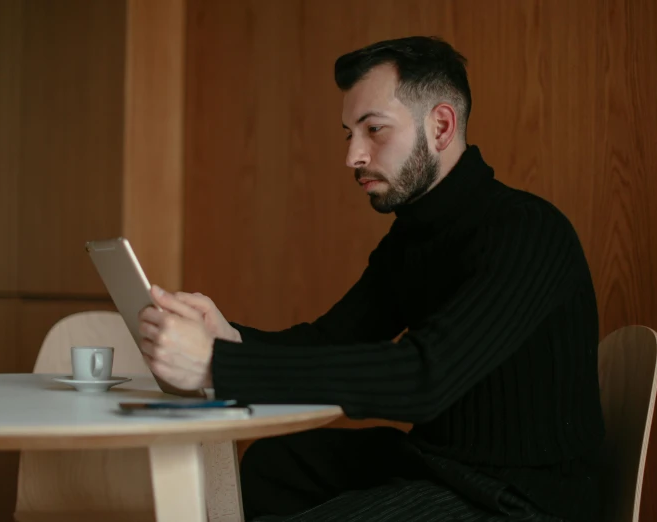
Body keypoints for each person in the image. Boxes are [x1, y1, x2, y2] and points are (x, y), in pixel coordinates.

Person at [137, 36, 605, 522]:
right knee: (273, 465)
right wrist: (229, 339)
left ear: (441, 126)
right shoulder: (413, 237)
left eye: (374, 130)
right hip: (441, 466)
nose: (353, 156)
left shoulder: (528, 231)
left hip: (521, 499)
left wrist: (218, 366)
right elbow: (331, 339)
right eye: (349, 134)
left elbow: (425, 376)